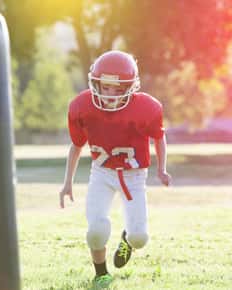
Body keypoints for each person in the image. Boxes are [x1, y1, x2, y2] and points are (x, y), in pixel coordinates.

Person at [59, 50, 171, 288]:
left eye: (118, 89)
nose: (110, 94)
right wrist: (67, 181)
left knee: (140, 238)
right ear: (96, 83)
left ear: (131, 87)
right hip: (102, 173)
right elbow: (76, 146)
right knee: (96, 230)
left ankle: (127, 240)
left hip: (134, 176)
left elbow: (159, 138)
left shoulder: (146, 108)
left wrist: (162, 168)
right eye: (106, 86)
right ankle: (101, 274)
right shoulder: (82, 106)